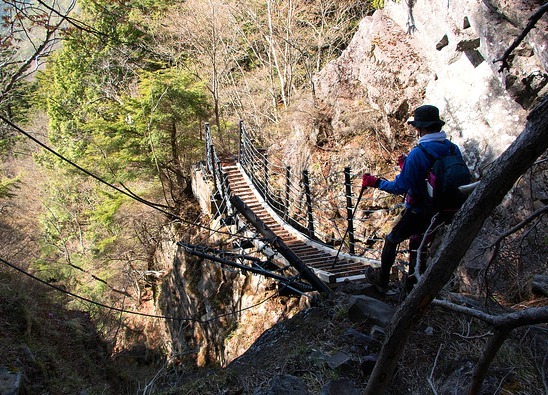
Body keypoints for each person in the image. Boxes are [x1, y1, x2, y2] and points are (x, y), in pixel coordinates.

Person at [361, 104, 466, 293]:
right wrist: (406, 165)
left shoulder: (419, 152)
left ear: (421, 128)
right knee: (418, 246)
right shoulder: (452, 148)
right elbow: (435, 175)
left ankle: (382, 280)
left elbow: (400, 186)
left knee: (392, 239)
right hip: (445, 209)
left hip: (421, 209)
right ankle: (412, 287)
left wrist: (376, 183)